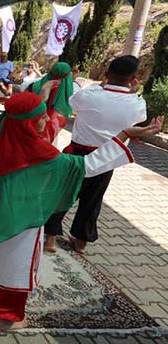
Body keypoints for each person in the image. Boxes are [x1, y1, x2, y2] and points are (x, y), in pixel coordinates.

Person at [0, 91, 163, 330]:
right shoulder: (42, 156)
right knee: (16, 266)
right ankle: (7, 320)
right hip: (21, 223)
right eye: (41, 117)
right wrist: (126, 134)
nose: (47, 120)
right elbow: (86, 165)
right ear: (28, 123)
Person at [44, 55, 147, 254]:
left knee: (63, 193)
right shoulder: (137, 104)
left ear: (107, 74)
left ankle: (51, 238)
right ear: (134, 78)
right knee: (93, 199)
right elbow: (139, 118)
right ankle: (81, 241)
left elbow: (73, 101)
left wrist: (102, 86)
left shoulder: (90, 94)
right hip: (108, 157)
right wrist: (131, 92)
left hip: (77, 154)